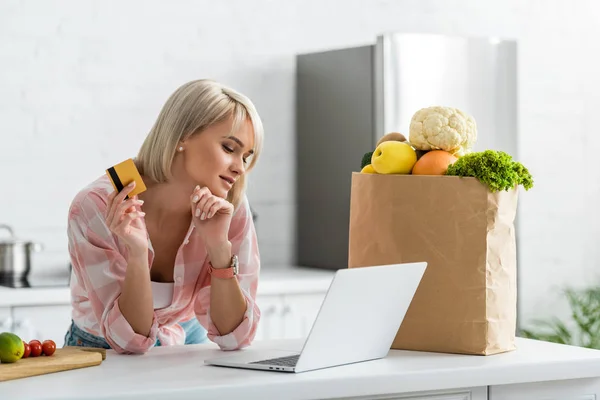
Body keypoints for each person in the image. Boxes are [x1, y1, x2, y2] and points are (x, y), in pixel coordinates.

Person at [64, 79, 264, 354]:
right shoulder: (97, 206)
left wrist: (219, 248)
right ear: (183, 135)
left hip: (182, 339)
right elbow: (129, 341)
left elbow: (235, 337)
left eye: (246, 157)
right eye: (229, 148)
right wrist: (137, 253)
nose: (240, 168)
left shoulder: (230, 206)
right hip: (98, 350)